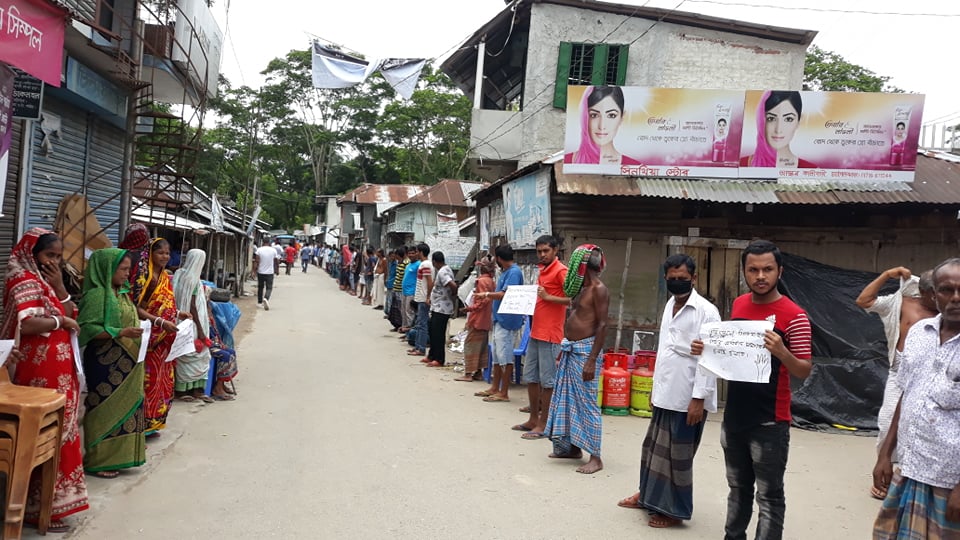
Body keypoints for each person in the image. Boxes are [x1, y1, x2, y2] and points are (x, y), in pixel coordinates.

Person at [702, 239, 812, 540]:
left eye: (767, 269)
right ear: (744, 272)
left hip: (770, 421)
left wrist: (782, 353)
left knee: (769, 495)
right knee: (737, 489)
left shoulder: (795, 315)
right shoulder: (739, 305)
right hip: (735, 416)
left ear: (780, 271)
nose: (760, 276)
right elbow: (731, 355)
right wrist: (706, 349)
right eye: (753, 270)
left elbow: (804, 368)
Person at [617, 254, 721, 528]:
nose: (677, 283)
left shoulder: (706, 312)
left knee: (678, 457)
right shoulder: (669, 306)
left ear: (694, 278)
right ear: (665, 278)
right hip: (665, 392)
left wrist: (699, 398)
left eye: (683, 279)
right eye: (672, 279)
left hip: (688, 396)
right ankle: (647, 495)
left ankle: (673, 510)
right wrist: (655, 389)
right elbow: (663, 351)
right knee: (652, 449)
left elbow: (710, 360)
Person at [1, 229, 88, 531]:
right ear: (31, 253)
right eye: (49, 256)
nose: (54, 262)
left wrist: (60, 285)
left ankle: (55, 504)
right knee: (38, 438)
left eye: (58, 257)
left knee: (60, 434)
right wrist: (60, 321)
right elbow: (27, 324)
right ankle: (34, 508)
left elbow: (68, 308)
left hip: (59, 371)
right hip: (35, 371)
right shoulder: (20, 278)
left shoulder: (46, 280)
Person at [872, 258, 960, 538]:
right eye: (947, 290)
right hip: (911, 468)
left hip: (950, 478)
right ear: (934, 295)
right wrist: (885, 454)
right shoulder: (919, 335)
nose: (956, 298)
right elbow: (907, 394)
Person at [856, 266, 937, 499]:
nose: (940, 297)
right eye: (935, 292)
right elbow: (864, 300)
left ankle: (912, 476)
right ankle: (885, 472)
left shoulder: (948, 312)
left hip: (931, 374)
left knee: (925, 425)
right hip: (899, 370)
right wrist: (886, 276)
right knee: (888, 420)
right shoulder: (900, 303)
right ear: (923, 291)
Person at [78, 248, 147, 478]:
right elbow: (87, 329)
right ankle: (99, 460)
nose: (128, 274)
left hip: (129, 362)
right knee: (103, 409)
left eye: (128, 269)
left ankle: (122, 455)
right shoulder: (96, 296)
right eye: (123, 269)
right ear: (107, 269)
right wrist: (121, 331)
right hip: (105, 362)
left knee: (127, 407)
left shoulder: (122, 294)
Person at [541, 244, 608, 474]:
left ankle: (596, 457)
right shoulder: (580, 288)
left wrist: (592, 360)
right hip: (571, 349)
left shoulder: (599, 289)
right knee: (567, 400)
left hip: (585, 352)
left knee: (587, 404)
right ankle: (571, 448)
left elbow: (602, 325)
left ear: (581, 266)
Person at [134, 238, 191, 436]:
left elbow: (167, 305)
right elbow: (137, 308)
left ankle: (157, 421)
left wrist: (179, 313)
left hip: (166, 339)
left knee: (164, 380)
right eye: (161, 253)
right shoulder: (146, 278)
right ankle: (145, 423)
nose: (165, 257)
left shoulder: (166, 276)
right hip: (151, 338)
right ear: (151, 253)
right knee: (149, 380)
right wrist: (159, 323)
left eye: (167, 253)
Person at [516, 235, 568, 438]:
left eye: (546, 250)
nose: (542, 254)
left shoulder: (561, 271)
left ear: (555, 250)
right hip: (536, 331)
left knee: (548, 381)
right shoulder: (542, 270)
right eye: (539, 251)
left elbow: (574, 299)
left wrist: (548, 297)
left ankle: (544, 424)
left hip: (551, 334)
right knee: (530, 377)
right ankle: (533, 419)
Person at [474, 244, 524, 402]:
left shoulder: (514, 272)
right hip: (499, 318)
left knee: (505, 356)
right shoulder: (505, 272)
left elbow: (506, 294)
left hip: (507, 320)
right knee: (496, 355)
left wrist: (487, 294)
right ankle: (495, 387)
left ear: (500, 259)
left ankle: (504, 392)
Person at [173, 249, 214, 403]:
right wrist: (202, 331)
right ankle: (194, 390)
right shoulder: (193, 279)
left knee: (184, 354)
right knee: (199, 355)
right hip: (193, 323)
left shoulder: (178, 274)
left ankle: (185, 390)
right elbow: (192, 306)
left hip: (179, 321)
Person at [563, 85, 641, 166]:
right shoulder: (567, 162)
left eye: (611, 115)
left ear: (622, 117)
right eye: (594, 115)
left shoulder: (636, 167)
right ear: (584, 117)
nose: (602, 126)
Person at [740, 90, 816, 169]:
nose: (778, 129)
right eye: (771, 118)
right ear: (760, 121)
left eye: (788, 119)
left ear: (798, 122)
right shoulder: (741, 165)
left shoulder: (812, 170)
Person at [455, 257, 496, 382]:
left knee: (470, 345)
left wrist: (468, 309)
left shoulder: (481, 281)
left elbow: (480, 302)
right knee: (481, 346)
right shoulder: (491, 281)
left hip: (477, 318)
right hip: (486, 319)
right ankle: (478, 372)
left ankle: (468, 373)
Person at [424, 251, 457, 368]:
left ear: (434, 262)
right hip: (438, 306)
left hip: (442, 308)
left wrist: (453, 294)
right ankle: (431, 355)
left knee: (438, 334)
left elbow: (452, 285)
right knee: (433, 331)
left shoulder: (443, 272)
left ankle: (439, 359)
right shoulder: (446, 269)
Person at [410, 243, 433, 357]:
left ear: (421, 252)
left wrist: (428, 297)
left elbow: (429, 282)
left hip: (423, 298)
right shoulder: (424, 264)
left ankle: (421, 348)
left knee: (422, 324)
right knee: (419, 323)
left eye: (417, 251)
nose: (416, 253)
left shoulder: (426, 265)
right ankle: (418, 346)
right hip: (421, 298)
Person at [252, 237, 279, 311]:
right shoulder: (273, 250)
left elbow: (256, 261)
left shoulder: (259, 250)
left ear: (263, 242)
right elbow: (276, 261)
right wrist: (277, 270)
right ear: (269, 242)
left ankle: (260, 302)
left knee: (260, 287)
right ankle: (266, 298)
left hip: (260, 272)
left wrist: (254, 271)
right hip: (270, 272)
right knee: (269, 287)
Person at [400, 246, 420, 334]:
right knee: (403, 311)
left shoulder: (419, 265)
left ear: (416, 253)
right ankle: (405, 330)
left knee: (409, 312)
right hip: (404, 291)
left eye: (413, 253)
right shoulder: (408, 265)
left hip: (412, 292)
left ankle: (410, 332)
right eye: (409, 253)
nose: (411, 255)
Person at [388, 247, 408, 331]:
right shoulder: (400, 263)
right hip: (396, 288)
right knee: (395, 308)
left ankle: (402, 326)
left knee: (400, 309)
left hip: (400, 289)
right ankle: (397, 325)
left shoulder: (406, 263)